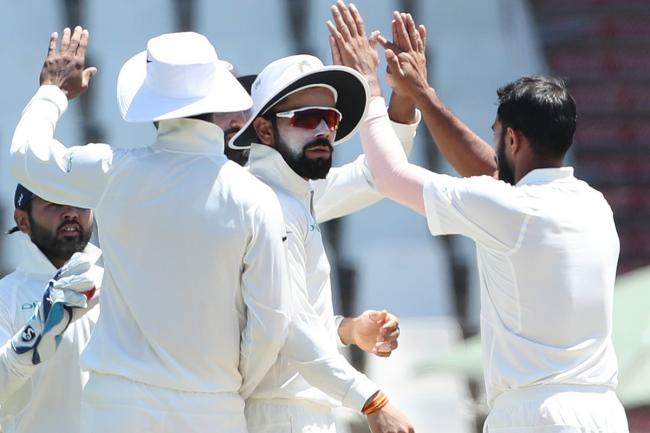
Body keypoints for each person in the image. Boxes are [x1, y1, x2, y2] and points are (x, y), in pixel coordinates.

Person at [10, 28, 410, 433]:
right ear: (219, 97)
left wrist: (52, 91)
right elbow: (272, 324)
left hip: (117, 407)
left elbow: (26, 157)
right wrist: (224, 388)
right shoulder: (255, 197)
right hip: (213, 408)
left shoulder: (113, 170)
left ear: (153, 104)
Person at [327, 2, 629, 432]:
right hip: (604, 413)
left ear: (512, 139)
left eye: (496, 133)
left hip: (536, 416)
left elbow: (389, 176)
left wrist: (369, 87)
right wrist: (422, 96)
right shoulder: (594, 205)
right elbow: (493, 174)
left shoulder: (511, 210)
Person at [229, 53, 418, 433]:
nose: (323, 130)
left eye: (330, 119)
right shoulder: (269, 202)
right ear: (263, 131)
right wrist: (372, 400)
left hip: (291, 411)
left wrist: (348, 330)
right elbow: (287, 327)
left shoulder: (294, 194)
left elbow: (380, 175)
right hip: (279, 417)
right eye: (305, 118)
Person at [0, 184, 102, 433]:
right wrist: (31, 340)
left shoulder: (118, 286)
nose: (71, 212)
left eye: (80, 200)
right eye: (54, 202)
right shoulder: (6, 295)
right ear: (23, 220)